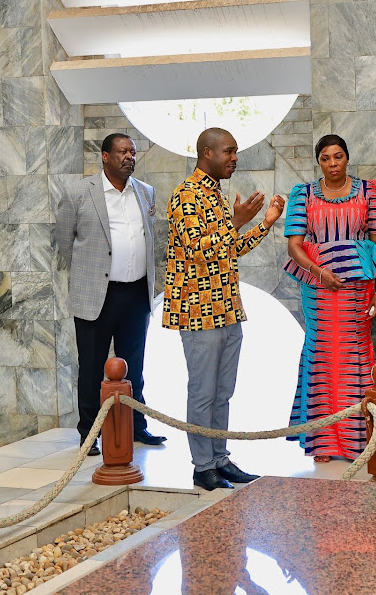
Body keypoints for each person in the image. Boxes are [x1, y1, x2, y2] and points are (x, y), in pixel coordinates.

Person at [163, 127, 285, 491]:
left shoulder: (215, 194)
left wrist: (264, 224)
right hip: (198, 311)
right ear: (207, 153)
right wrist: (239, 220)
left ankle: (219, 459)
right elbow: (199, 249)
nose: (235, 158)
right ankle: (203, 467)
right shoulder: (185, 196)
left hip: (227, 307)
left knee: (223, 391)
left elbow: (227, 250)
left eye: (236, 151)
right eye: (229, 152)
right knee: (203, 391)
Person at [56, 133, 165, 456]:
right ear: (104, 156)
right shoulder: (79, 193)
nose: (129, 157)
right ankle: (89, 433)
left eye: (132, 152)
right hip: (96, 295)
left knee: (135, 365)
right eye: (122, 152)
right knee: (91, 365)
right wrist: (88, 274)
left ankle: (137, 427)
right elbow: (64, 242)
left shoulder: (145, 192)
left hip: (135, 294)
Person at [284, 134, 376, 462]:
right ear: (319, 162)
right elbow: (294, 245)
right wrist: (319, 272)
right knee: (323, 354)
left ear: (347, 158)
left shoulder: (370, 191)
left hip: (359, 286)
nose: (332, 164)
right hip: (318, 288)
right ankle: (323, 443)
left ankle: (359, 438)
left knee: (355, 354)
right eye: (326, 158)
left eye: (338, 157)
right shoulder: (302, 194)